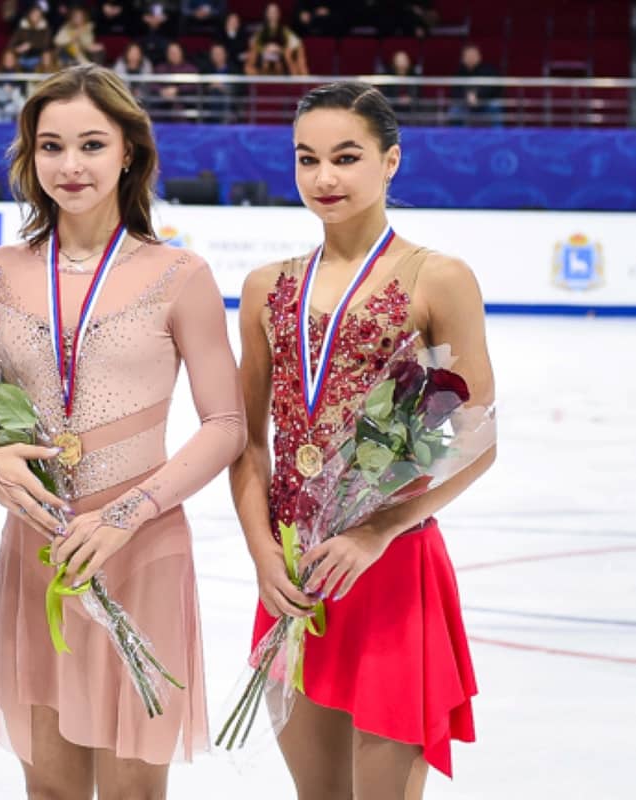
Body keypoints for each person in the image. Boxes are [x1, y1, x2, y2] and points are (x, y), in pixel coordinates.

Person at [0, 63, 246, 799]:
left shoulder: (179, 274)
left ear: (129, 153)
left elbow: (225, 425)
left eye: (91, 144)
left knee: (131, 793)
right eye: (50, 146)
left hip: (140, 549)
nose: (70, 165)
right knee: (50, 791)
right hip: (35, 547)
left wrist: (125, 515)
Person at [230, 81, 494, 798]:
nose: (323, 178)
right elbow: (249, 445)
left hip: (389, 569)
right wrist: (261, 556)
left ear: (390, 161)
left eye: (345, 157)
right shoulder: (263, 287)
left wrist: (375, 532)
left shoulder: (437, 278)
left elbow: (478, 439)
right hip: (291, 573)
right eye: (306, 158)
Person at [247, 2, 308, 76]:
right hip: (263, 63)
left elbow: (297, 43)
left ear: (279, 14)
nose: (273, 14)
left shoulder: (285, 31)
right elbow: (254, 44)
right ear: (266, 14)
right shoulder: (260, 32)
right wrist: (265, 49)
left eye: (275, 12)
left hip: (282, 63)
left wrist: (279, 49)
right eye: (270, 12)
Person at [449, 43, 502, 127]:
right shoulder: (459, 73)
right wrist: (467, 97)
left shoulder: (489, 70)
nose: (471, 58)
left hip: (485, 102)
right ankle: (456, 137)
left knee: (495, 105)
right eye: (468, 56)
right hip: (465, 103)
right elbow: (455, 91)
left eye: (473, 55)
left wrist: (477, 96)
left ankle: (499, 136)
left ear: (479, 57)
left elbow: (493, 88)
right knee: (455, 109)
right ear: (463, 58)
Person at [0, 48, 26, 123]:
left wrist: (12, 89)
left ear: (15, 60)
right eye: (7, 58)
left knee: (18, 100)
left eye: (11, 58)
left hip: (12, 104)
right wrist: (3, 87)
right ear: (3, 60)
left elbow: (22, 92)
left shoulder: (20, 73)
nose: (9, 60)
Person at [8, 5, 53, 70]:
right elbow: (11, 43)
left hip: (38, 57)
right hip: (22, 57)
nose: (35, 16)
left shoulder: (45, 29)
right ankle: (11, 78)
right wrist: (17, 49)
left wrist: (30, 45)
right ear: (29, 15)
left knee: (46, 56)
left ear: (41, 16)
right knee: (9, 56)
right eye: (33, 14)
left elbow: (45, 45)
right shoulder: (22, 28)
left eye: (38, 15)